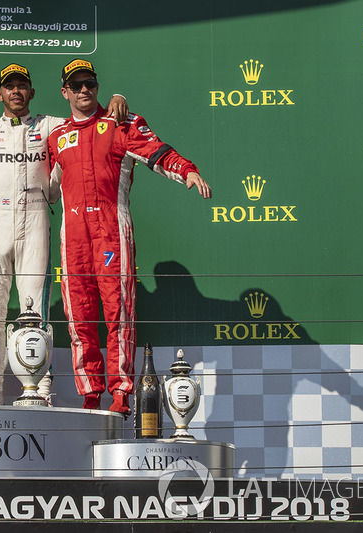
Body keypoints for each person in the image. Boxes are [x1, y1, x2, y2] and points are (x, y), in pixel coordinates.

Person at [47, 59, 212, 416]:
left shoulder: (121, 123)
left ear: (97, 86)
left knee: (119, 314)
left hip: (110, 232)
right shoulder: (56, 137)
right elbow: (41, 187)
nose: (84, 90)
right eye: (76, 85)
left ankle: (121, 394)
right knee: (79, 318)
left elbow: (157, 152)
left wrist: (187, 170)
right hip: (73, 235)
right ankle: (90, 393)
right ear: (65, 92)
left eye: (90, 83)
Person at [0, 64, 129, 405]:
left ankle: (40, 393)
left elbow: (89, 118)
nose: (16, 91)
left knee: (35, 312)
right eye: (9, 86)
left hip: (36, 220)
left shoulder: (51, 126)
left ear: (32, 92)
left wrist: (118, 98)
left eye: (22, 86)